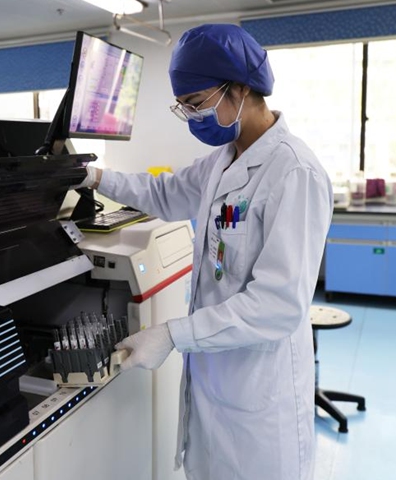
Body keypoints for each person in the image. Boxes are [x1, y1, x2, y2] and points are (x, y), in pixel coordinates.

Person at [78, 24, 333, 480]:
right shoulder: (224, 160)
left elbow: (278, 305)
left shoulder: (294, 173)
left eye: (196, 105)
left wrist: (174, 334)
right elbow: (164, 193)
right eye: (185, 108)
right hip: (216, 379)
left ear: (238, 90)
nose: (194, 118)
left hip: (260, 396)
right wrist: (96, 178)